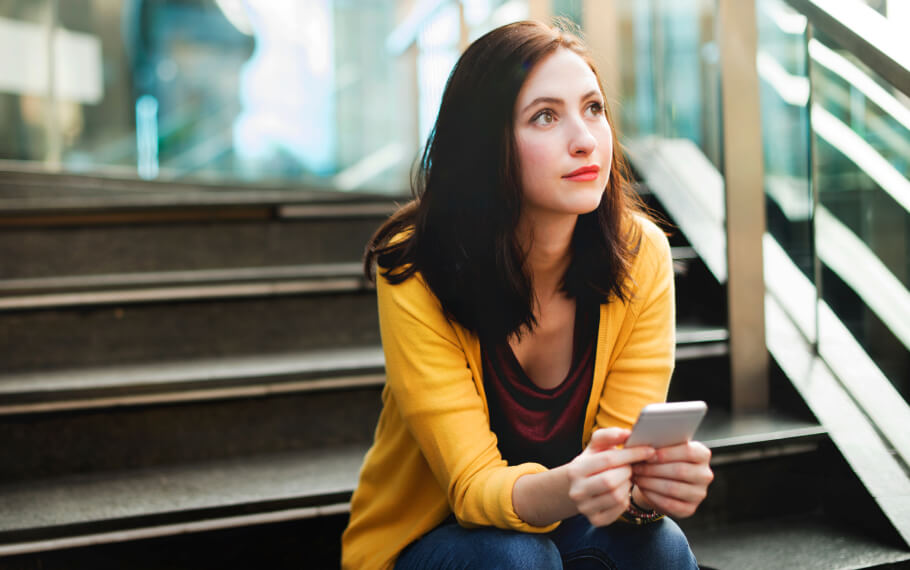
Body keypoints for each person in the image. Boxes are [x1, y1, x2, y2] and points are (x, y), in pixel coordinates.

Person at [342, 20, 713, 570]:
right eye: (545, 116)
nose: (585, 139)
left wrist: (643, 492)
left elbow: (619, 465)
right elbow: (471, 488)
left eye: (593, 108)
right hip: (430, 539)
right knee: (515, 556)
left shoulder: (642, 255)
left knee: (660, 544)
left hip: (561, 527)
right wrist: (578, 485)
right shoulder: (420, 266)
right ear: (486, 146)